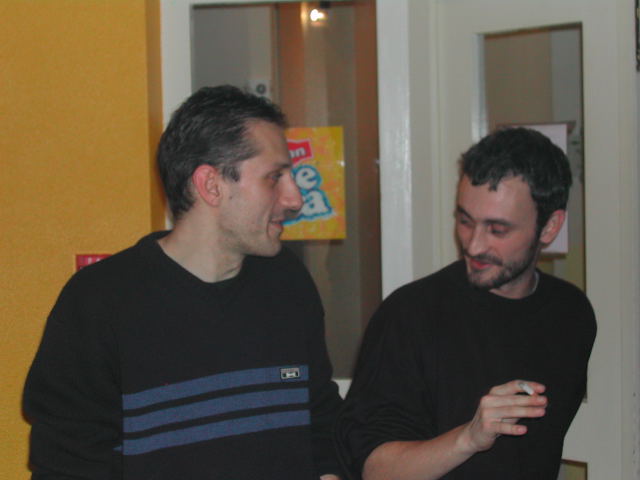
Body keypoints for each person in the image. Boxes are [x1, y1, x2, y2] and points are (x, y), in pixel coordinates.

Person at [23, 85, 344, 479]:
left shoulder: (288, 283)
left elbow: (320, 420)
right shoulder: (99, 302)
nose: (295, 199)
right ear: (211, 185)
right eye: (274, 177)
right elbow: (68, 464)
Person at [335, 127, 596, 480]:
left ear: (549, 227)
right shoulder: (410, 315)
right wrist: (469, 438)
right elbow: (375, 470)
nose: (473, 245)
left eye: (498, 230)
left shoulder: (571, 315)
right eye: (465, 221)